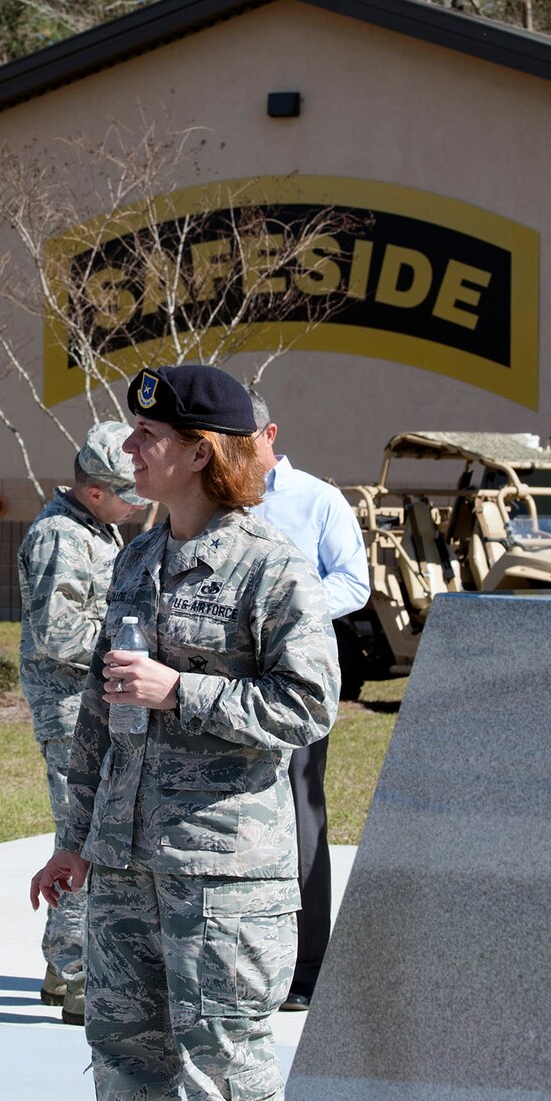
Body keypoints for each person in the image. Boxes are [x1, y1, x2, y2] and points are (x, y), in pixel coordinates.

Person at [29, 364, 339, 1101]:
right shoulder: (136, 556)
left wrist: (182, 691)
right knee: (125, 1070)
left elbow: (309, 703)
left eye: (150, 434)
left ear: (201, 452)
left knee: (221, 1083)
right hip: (125, 868)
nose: (129, 446)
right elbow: (101, 716)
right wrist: (74, 838)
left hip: (220, 877)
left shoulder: (270, 567)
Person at [17, 420, 151, 1025]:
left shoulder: (97, 531)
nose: (138, 504)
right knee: (82, 839)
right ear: (95, 491)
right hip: (71, 710)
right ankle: (76, 978)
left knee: (83, 834)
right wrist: (130, 644)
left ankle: (63, 963)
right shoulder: (61, 539)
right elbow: (57, 636)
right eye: (129, 493)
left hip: (91, 706)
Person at [248, 389, 370, 1012]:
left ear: (270, 434)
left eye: (246, 437)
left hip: (295, 679)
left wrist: (289, 607)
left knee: (301, 814)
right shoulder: (216, 500)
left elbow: (354, 580)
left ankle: (307, 970)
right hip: (226, 684)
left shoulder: (317, 500)